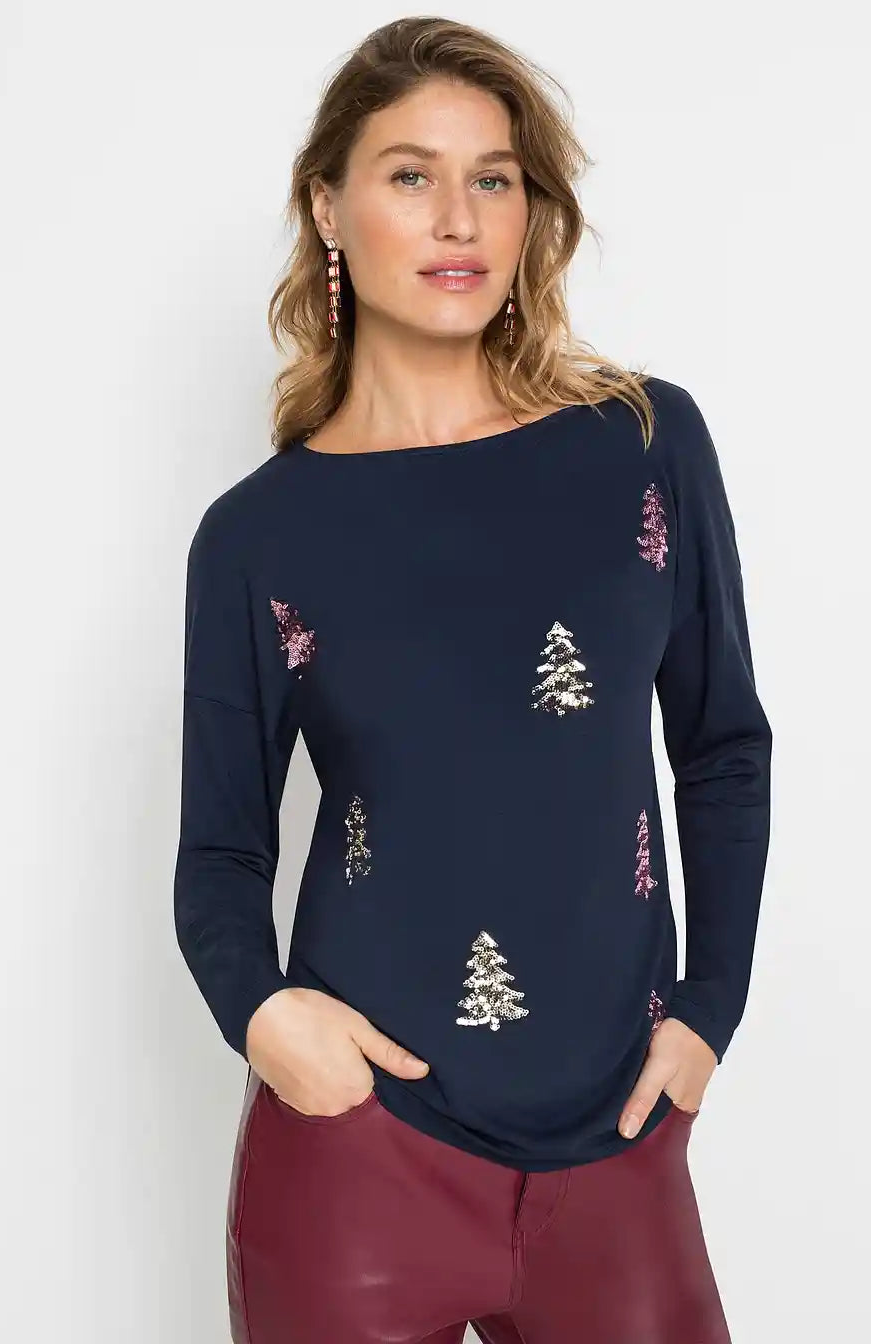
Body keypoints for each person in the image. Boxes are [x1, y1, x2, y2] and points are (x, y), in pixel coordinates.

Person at [172, 16, 772, 1344]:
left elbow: (724, 744)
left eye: (492, 177)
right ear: (327, 206)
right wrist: (264, 1018)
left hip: (620, 1141)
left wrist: (710, 1009)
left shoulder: (644, 444)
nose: (458, 219)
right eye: (411, 175)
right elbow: (220, 852)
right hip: (359, 1155)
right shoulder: (260, 537)